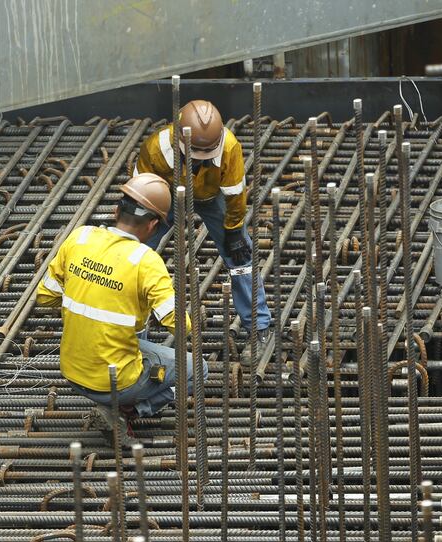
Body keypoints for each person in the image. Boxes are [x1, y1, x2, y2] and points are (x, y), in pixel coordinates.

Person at [36, 173, 204, 445]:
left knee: (136, 325)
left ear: (116, 211)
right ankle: (131, 412)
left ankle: (117, 404)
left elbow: (45, 297)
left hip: (72, 370)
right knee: (198, 370)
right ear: (152, 225)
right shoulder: (145, 261)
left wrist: (94, 295)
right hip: (113, 382)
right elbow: (181, 326)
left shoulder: (80, 237)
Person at [134, 99, 272, 360]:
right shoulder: (156, 148)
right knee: (134, 257)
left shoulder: (229, 146)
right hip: (165, 196)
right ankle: (133, 333)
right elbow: (141, 193)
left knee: (241, 256)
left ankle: (259, 325)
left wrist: (234, 230)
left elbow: (234, 194)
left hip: (210, 196)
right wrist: (142, 229)